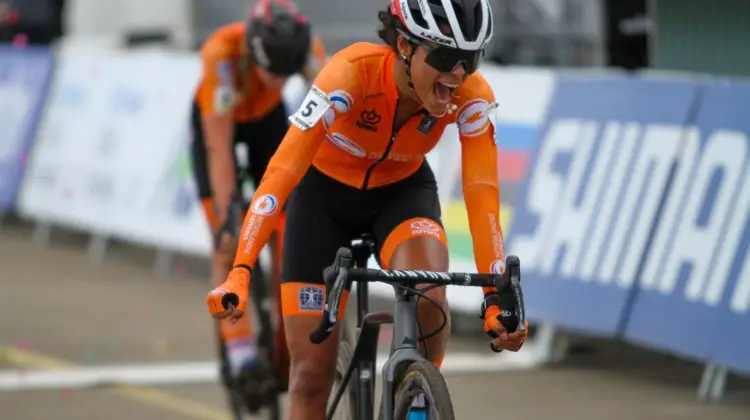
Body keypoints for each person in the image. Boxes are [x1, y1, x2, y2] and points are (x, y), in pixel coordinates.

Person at [207, 0, 528, 417]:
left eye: (470, 59)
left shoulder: (472, 96)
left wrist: (494, 294)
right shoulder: (351, 73)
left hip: (401, 194)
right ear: (404, 45)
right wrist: (241, 268)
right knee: (309, 376)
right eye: (446, 57)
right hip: (322, 202)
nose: (458, 74)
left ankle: (413, 397)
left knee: (430, 298)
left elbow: (482, 193)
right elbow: (282, 172)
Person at [191, 0, 326, 399]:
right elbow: (219, 149)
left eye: (289, 75)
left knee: (286, 229)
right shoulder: (221, 54)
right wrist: (228, 211)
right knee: (229, 239)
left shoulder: (307, 51)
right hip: (219, 126)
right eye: (275, 73)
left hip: (267, 121)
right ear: (254, 54)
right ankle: (240, 349)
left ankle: (285, 331)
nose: (283, 81)